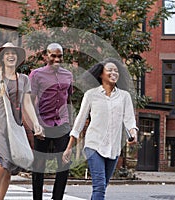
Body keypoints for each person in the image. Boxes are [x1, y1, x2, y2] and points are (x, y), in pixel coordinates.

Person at [0, 42, 44, 200]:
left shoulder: (24, 80)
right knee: (1, 164)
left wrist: (36, 124)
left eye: (13, 53)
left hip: (14, 127)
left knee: (8, 168)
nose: (10, 55)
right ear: (1, 58)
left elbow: (27, 104)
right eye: (7, 53)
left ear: (18, 58)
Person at [62, 57, 138, 200]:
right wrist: (69, 147)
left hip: (114, 148)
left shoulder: (124, 97)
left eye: (116, 70)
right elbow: (79, 122)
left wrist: (133, 134)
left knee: (102, 185)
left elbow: (129, 121)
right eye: (109, 70)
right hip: (94, 146)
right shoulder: (91, 95)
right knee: (99, 186)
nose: (113, 73)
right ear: (101, 74)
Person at [29, 43, 73, 200]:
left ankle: (57, 198)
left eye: (59, 56)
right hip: (42, 124)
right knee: (39, 165)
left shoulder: (68, 75)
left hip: (62, 124)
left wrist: (70, 124)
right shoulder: (36, 74)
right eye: (53, 55)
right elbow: (30, 101)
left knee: (64, 163)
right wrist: (35, 125)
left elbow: (69, 100)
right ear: (46, 56)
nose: (56, 59)